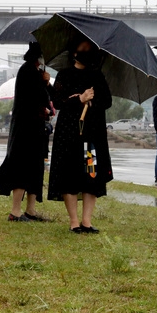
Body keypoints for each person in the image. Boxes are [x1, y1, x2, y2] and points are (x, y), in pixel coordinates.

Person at [47, 39, 113, 234]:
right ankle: (74, 222)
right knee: (70, 176)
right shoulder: (64, 75)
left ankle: (87, 221)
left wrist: (93, 101)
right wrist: (79, 99)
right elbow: (57, 102)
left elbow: (107, 101)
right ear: (74, 51)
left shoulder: (97, 75)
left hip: (92, 136)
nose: (86, 50)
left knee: (91, 176)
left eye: (88, 47)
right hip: (69, 136)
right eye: (81, 46)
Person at [0, 43, 53, 222]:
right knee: (22, 167)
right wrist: (44, 83)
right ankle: (15, 211)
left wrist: (46, 82)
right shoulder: (28, 72)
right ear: (37, 56)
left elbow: (46, 98)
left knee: (35, 168)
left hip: (35, 128)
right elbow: (38, 99)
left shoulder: (35, 72)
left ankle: (30, 210)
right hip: (27, 129)